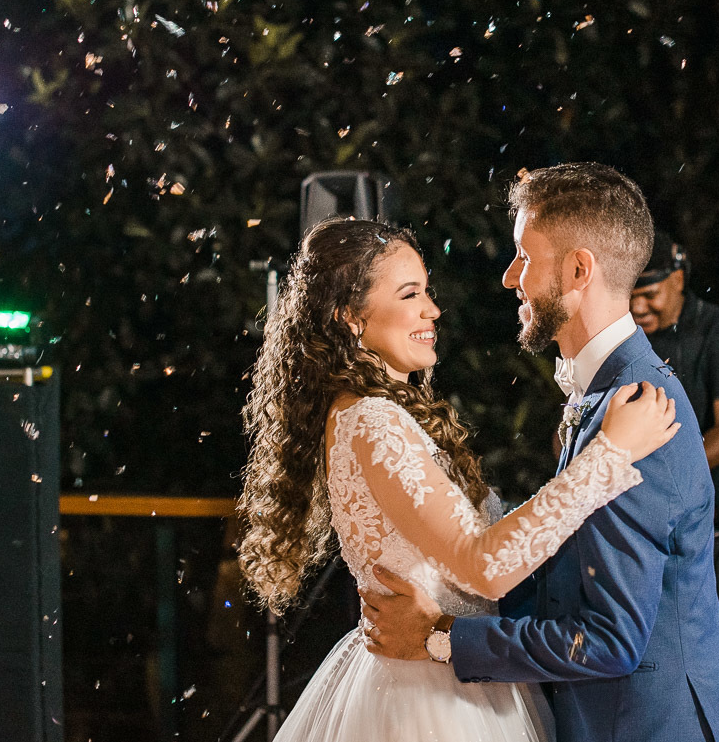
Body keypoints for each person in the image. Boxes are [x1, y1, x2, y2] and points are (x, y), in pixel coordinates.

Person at [237, 216, 681, 742]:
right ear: (350, 317)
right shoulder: (374, 421)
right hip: (430, 698)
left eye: (427, 291)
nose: (432, 310)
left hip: (439, 673)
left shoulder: (368, 412)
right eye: (409, 295)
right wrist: (609, 456)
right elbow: (486, 567)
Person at [362, 164, 719, 742]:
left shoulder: (641, 411)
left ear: (577, 269)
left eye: (522, 256)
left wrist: (440, 638)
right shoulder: (608, 397)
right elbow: (566, 583)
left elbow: (610, 641)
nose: (509, 277)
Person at [629, 231, 719, 526]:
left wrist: (653, 478)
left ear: (678, 280)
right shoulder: (618, 336)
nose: (637, 309)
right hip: (630, 517)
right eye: (630, 297)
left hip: (703, 519)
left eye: (650, 295)